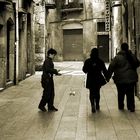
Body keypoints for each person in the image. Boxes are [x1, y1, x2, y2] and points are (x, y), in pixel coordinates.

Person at [107, 43, 140, 112]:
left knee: (121, 93)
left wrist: (108, 77)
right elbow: (137, 63)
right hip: (131, 79)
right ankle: (131, 107)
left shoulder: (117, 57)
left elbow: (111, 67)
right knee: (130, 93)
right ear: (128, 48)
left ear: (121, 48)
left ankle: (121, 106)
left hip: (120, 79)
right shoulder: (132, 56)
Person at [82, 48, 108, 113]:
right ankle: (97, 105)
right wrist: (107, 77)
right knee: (97, 92)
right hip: (98, 78)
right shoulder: (100, 61)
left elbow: (84, 70)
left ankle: (92, 104)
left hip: (90, 78)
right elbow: (104, 70)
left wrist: (89, 69)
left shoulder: (88, 61)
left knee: (91, 92)